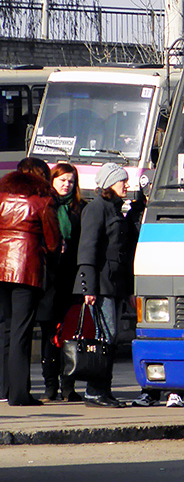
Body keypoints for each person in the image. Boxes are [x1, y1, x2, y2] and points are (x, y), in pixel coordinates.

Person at [78, 163, 146, 408]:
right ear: (109, 184)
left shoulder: (115, 209)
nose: (127, 185)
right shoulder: (97, 209)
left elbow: (124, 249)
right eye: (122, 182)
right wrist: (89, 288)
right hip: (102, 285)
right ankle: (95, 391)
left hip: (115, 285)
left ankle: (103, 390)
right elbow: (88, 248)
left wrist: (128, 289)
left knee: (110, 336)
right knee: (105, 336)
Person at [0, 157, 60, 407]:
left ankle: (4, 389)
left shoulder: (2, 198)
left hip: (1, 267)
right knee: (21, 332)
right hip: (26, 269)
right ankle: (19, 394)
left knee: (4, 327)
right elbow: (54, 241)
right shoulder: (42, 201)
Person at [35, 162, 84, 402]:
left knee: (69, 335)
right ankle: (50, 386)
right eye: (62, 180)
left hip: (71, 280)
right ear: (52, 181)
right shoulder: (46, 206)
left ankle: (69, 386)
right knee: (48, 336)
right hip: (49, 281)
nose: (66, 185)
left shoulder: (80, 209)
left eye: (71, 181)